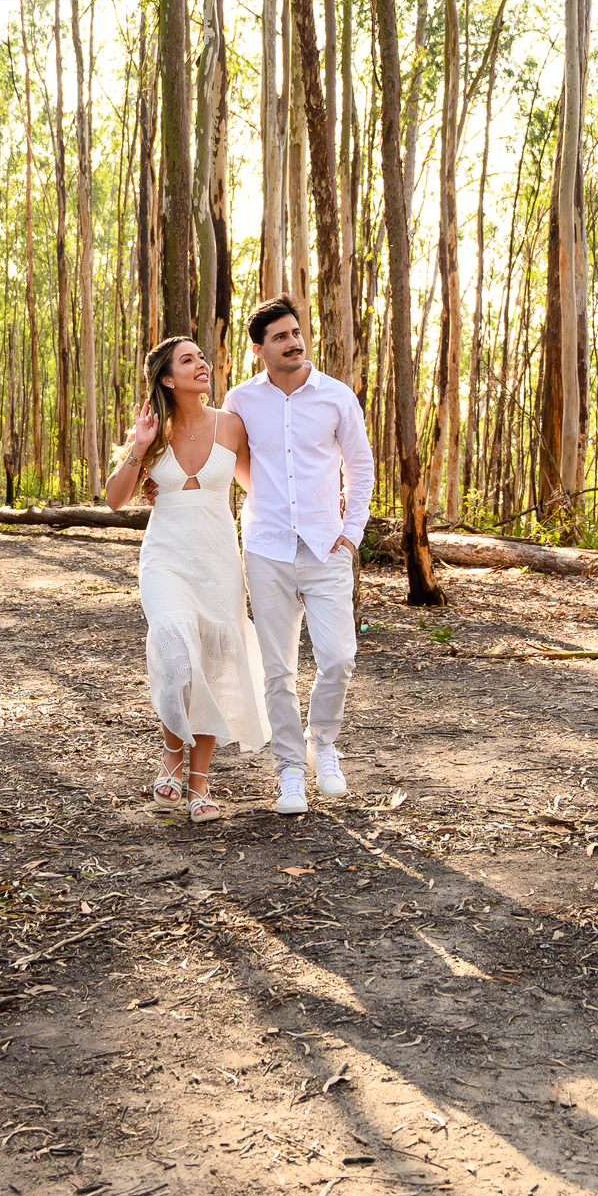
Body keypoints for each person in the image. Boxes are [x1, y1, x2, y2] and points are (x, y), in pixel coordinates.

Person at [105, 335, 269, 822]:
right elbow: (115, 500)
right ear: (167, 378)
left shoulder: (232, 426)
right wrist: (137, 449)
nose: (202, 364)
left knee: (214, 667)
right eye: (188, 360)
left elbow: (258, 484)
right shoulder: (152, 431)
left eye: (201, 357)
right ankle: (170, 757)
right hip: (166, 559)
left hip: (218, 559)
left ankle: (198, 783)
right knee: (176, 650)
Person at [223, 295, 374, 816]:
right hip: (265, 546)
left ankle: (323, 743)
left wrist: (351, 533)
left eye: (295, 332)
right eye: (280, 337)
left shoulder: (336, 397)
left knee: (339, 657)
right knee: (276, 669)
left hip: (327, 547)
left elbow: (360, 468)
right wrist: (267, 498)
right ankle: (289, 768)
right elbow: (240, 464)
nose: (293, 342)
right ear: (260, 350)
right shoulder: (241, 400)